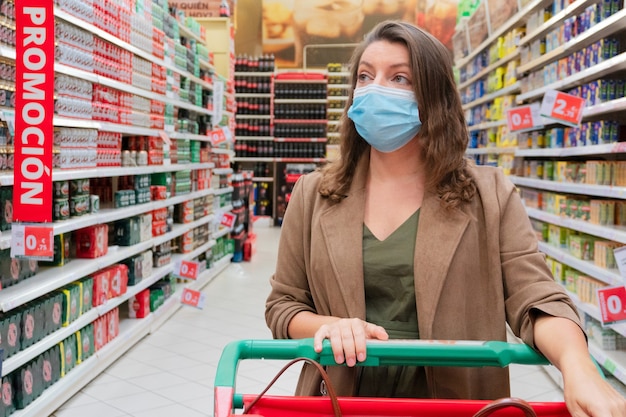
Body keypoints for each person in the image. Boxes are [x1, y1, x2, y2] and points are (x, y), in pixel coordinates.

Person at [265, 20, 626, 416]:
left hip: (457, 405)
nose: (374, 89)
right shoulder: (313, 195)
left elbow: (537, 300)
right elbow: (284, 305)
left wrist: (578, 365)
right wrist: (326, 326)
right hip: (342, 400)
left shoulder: (489, 196)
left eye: (398, 77)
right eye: (365, 77)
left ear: (433, 96)